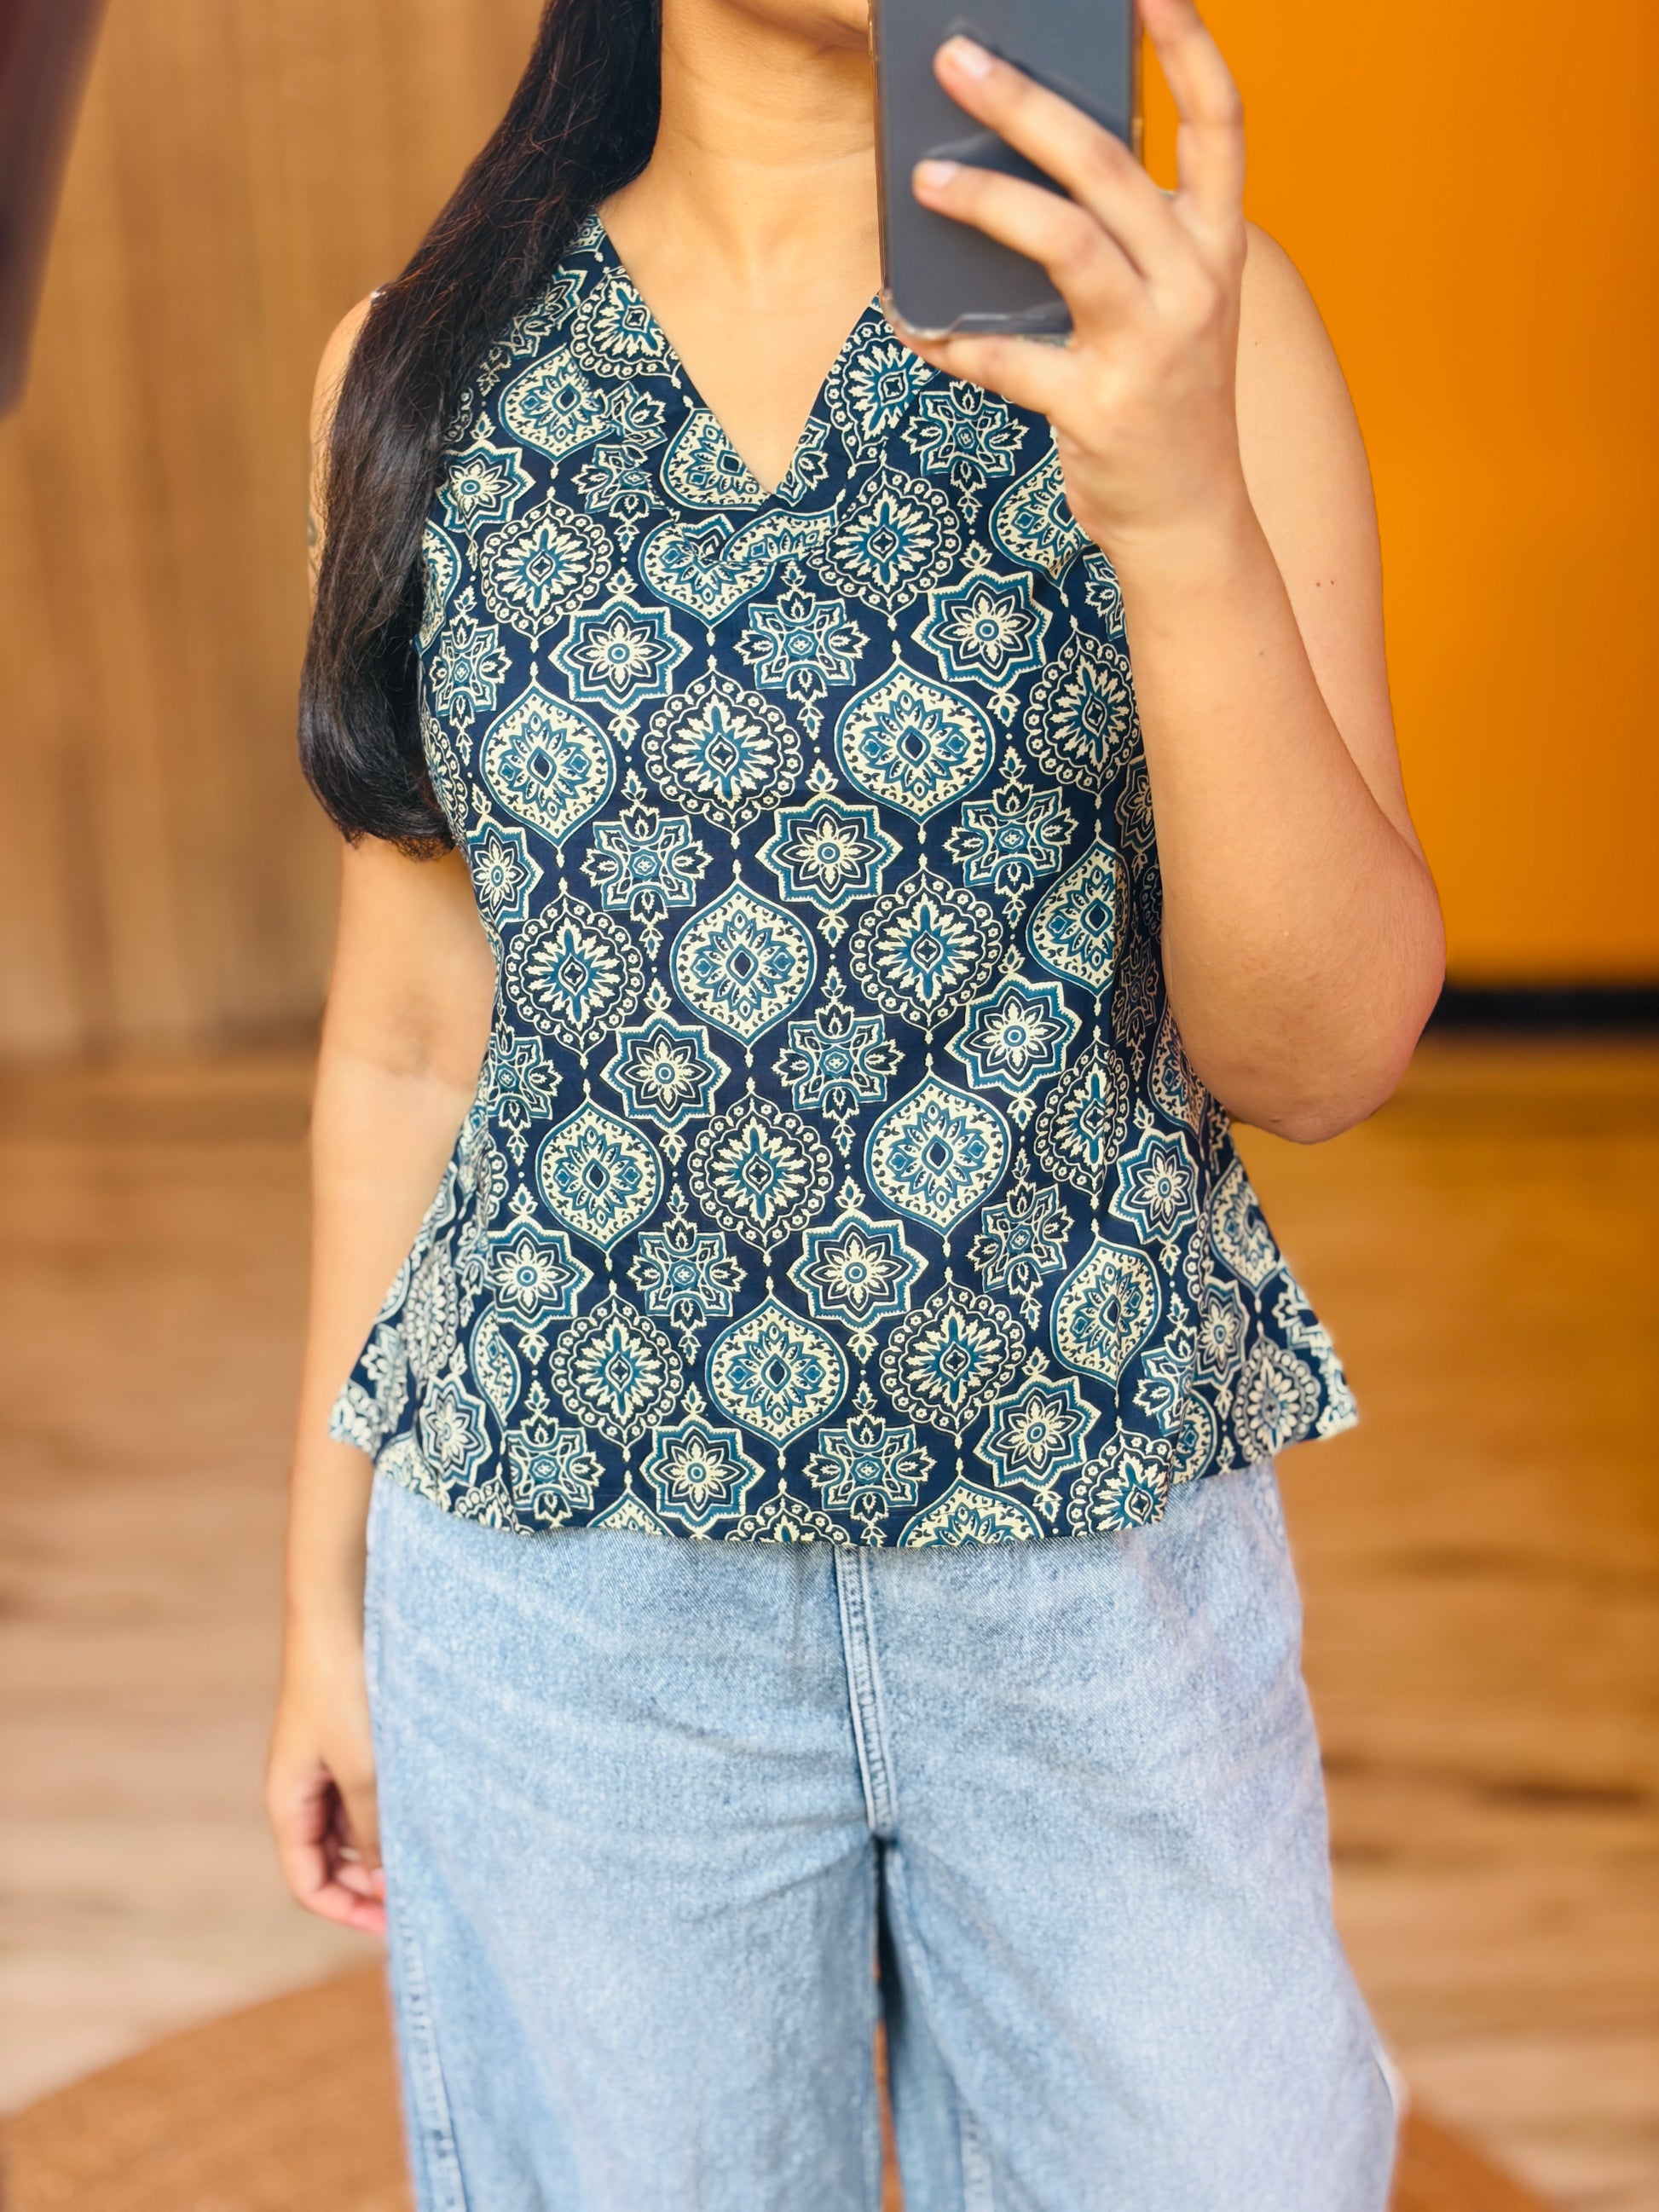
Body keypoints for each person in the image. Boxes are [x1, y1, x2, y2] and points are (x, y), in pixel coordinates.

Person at [267, 0, 1444, 2202]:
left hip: (1090, 1558)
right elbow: (414, 1038)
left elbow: (1321, 1054)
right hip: (568, 1588)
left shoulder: (1178, 317)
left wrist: (1178, 508)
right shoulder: (419, 369)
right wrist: (320, 1595)